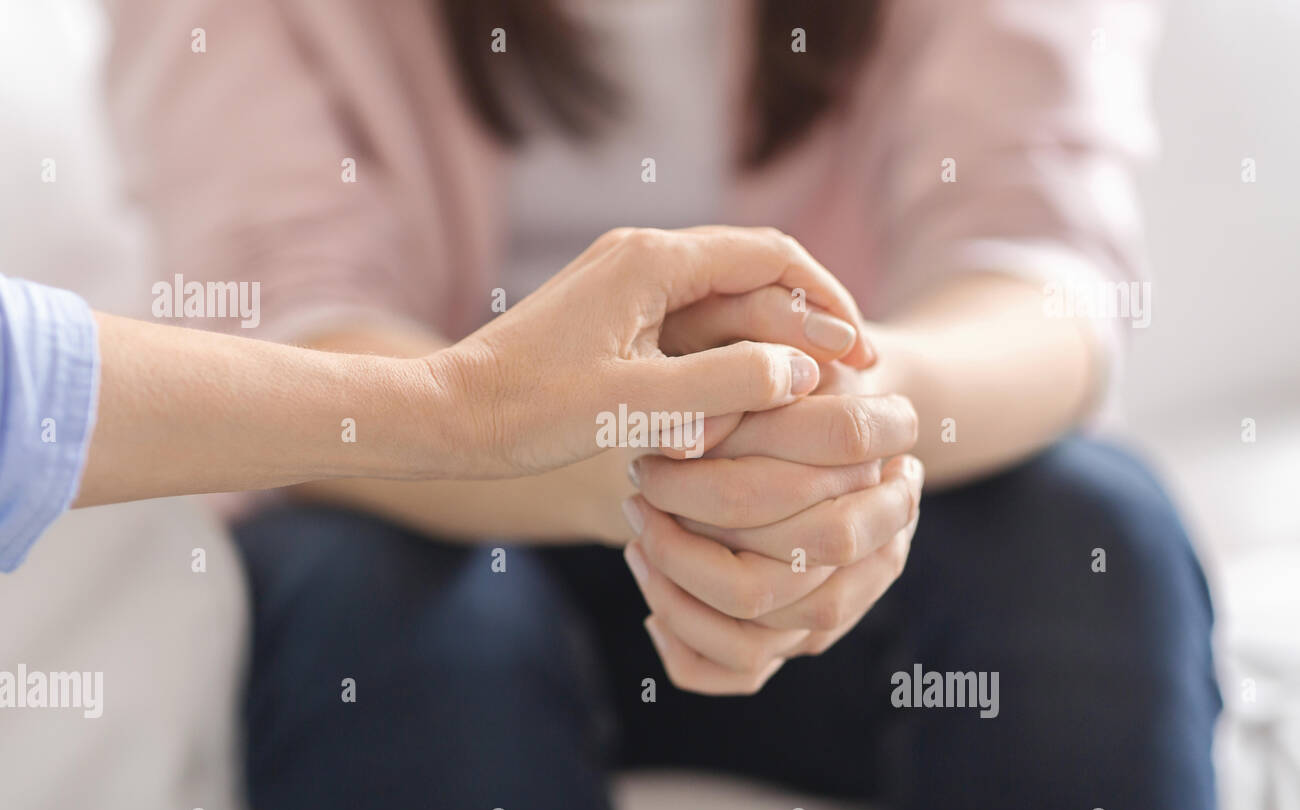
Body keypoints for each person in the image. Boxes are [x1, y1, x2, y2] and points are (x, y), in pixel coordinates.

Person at [104, 0, 1221, 810]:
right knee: (378, 589)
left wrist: (833, 431)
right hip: (435, 506)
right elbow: (293, 331)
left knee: (1082, 534)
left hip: (840, 521)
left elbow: (1038, 270)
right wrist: (647, 458)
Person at [1, 226, 869, 569]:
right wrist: (464, 406)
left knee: (1002, 527)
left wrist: (834, 417)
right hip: (417, 519)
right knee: (372, 582)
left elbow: (1006, 256)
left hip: (855, 478)